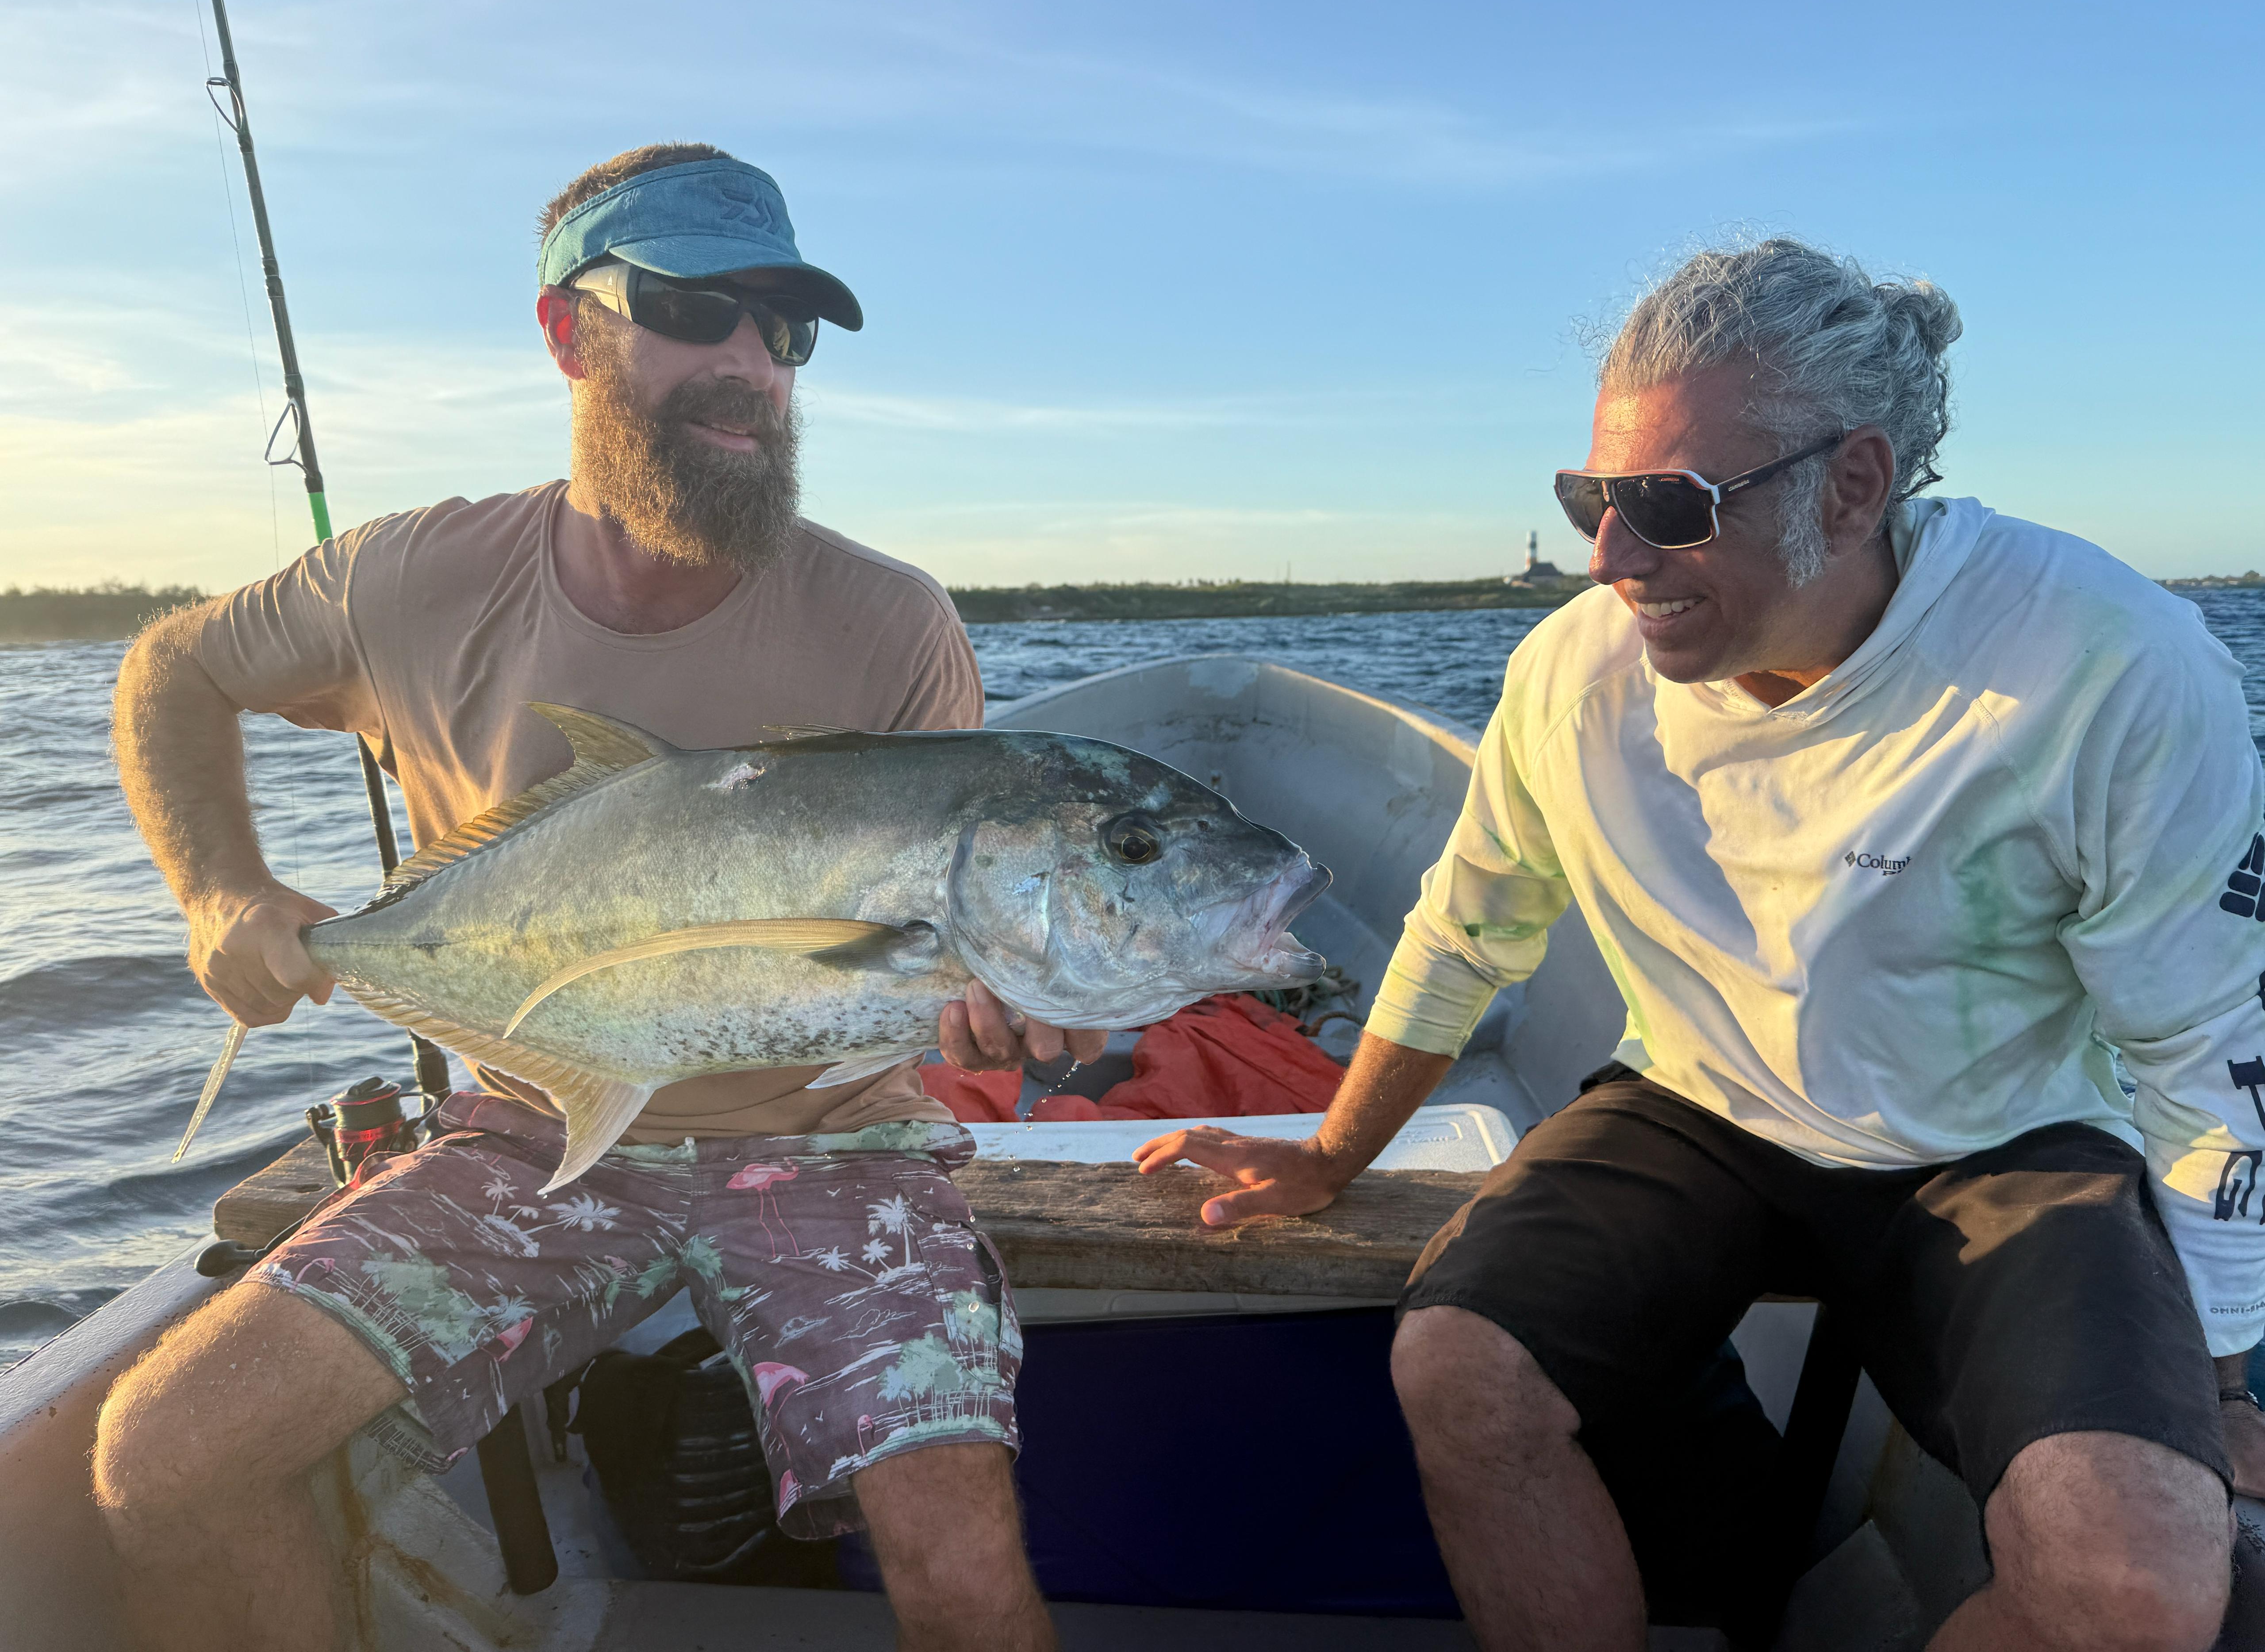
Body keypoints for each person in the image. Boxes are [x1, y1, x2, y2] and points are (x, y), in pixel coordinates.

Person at [1136, 238, 2265, 1650]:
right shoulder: (1570, 675)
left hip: (2011, 1141)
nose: (1608, 559)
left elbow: (2207, 1050)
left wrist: (2217, 1376)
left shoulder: (2105, 664)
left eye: (1667, 505)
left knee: (2139, 1584)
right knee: (1459, 1368)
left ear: (1855, 484)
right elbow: (1469, 927)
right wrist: (1330, 1153)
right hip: (1698, 1104)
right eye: (1590, 498)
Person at [94, 143, 1085, 1652]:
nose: (753, 364)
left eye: (787, 330)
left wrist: (1011, 1010)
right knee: (162, 1459)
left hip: (834, 1138)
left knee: (956, 1561)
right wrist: (219, 888)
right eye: (702, 309)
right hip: (532, 1134)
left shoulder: (895, 621)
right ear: (570, 331)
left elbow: (942, 923)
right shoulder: (411, 579)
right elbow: (174, 668)